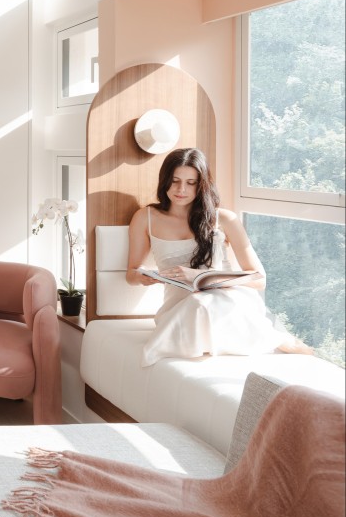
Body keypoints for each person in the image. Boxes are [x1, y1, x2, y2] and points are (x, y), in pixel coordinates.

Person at [126, 147, 310, 366]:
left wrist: (202, 276)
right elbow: (131, 274)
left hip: (228, 300)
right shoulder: (146, 217)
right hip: (179, 306)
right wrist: (145, 277)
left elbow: (259, 279)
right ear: (164, 180)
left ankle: (269, 338)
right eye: (175, 181)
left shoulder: (224, 219)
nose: (181, 189)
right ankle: (269, 339)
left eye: (190, 183)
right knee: (197, 304)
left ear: (201, 184)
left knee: (203, 303)